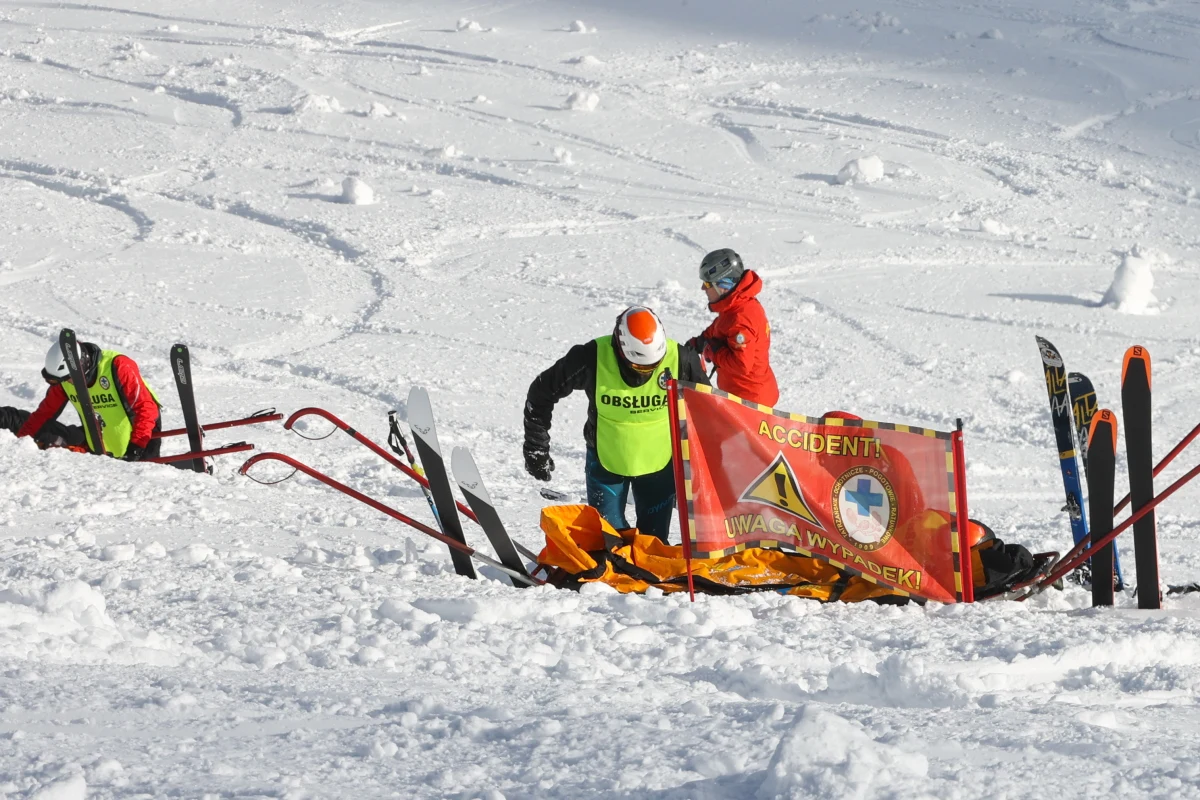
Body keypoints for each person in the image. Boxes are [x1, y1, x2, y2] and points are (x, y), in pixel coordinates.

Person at [523, 306, 709, 542]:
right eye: (641, 367)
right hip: (606, 463)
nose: (647, 374)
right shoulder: (591, 357)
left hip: (659, 465)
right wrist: (536, 447)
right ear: (621, 351)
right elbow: (541, 393)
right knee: (609, 540)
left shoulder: (681, 358)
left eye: (654, 366)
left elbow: (710, 409)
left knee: (653, 543)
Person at [2, 338, 162, 461]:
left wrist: (136, 447)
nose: (66, 383)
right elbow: (44, 414)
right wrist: (21, 443)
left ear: (82, 366)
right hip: (102, 441)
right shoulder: (64, 381)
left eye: (68, 378)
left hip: (142, 438)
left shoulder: (118, 366)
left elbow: (146, 409)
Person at [687, 248, 779, 407]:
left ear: (722, 285)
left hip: (750, 402)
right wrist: (702, 340)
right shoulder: (736, 305)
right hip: (743, 394)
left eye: (707, 284)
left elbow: (741, 365)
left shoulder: (741, 319)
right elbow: (721, 325)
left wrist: (714, 352)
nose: (703, 288)